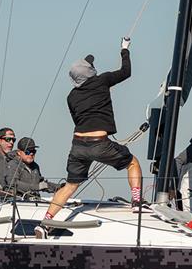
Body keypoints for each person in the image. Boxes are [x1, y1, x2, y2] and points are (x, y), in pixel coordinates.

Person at [35, 37, 142, 239]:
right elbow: (126, 72)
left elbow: (78, 118)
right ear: (90, 72)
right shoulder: (101, 81)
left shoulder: (71, 96)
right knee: (132, 163)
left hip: (77, 145)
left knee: (70, 185)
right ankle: (136, 203)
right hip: (99, 144)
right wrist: (124, 49)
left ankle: (45, 223)